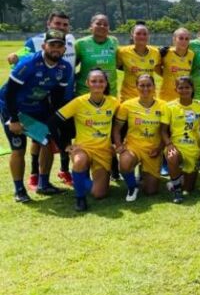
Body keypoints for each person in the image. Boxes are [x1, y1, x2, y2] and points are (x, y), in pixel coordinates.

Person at [0, 30, 72, 203]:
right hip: (11, 107)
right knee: (19, 148)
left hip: (36, 107)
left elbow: (56, 99)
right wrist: (14, 120)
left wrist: (58, 124)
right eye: (52, 44)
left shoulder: (64, 68)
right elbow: (10, 93)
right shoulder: (29, 64)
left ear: (64, 49)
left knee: (47, 141)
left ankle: (44, 184)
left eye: (59, 45)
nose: (56, 48)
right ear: (43, 46)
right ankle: (19, 190)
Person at [10, 11, 77, 188]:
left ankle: (52, 178)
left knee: (53, 136)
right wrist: (15, 55)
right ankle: (31, 178)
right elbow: (23, 53)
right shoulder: (35, 43)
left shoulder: (70, 42)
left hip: (59, 98)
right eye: (57, 23)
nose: (61, 27)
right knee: (31, 142)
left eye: (64, 24)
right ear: (49, 24)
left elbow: (74, 64)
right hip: (31, 102)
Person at [55, 69, 118, 211]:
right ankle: (80, 198)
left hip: (103, 151)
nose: (97, 84)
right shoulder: (78, 102)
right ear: (87, 83)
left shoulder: (113, 102)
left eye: (101, 81)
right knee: (79, 161)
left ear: (106, 83)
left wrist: (117, 144)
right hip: (83, 148)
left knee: (98, 193)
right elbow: (54, 121)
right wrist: (64, 146)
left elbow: (121, 123)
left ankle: (83, 180)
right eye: (93, 81)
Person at [113, 73, 165, 202]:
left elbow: (166, 132)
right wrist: (119, 145)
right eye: (142, 85)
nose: (145, 88)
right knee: (125, 163)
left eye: (149, 85)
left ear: (154, 87)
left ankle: (144, 173)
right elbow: (117, 129)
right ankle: (132, 186)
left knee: (150, 191)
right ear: (136, 87)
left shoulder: (164, 106)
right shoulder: (127, 105)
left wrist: (159, 149)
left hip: (153, 149)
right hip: (133, 146)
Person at [161, 76, 200, 203]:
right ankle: (176, 190)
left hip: (193, 148)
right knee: (172, 156)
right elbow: (163, 131)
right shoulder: (169, 106)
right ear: (176, 89)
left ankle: (178, 178)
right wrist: (169, 145)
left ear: (192, 89)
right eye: (180, 87)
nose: (184, 90)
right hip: (176, 145)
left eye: (187, 87)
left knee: (189, 188)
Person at [74, 14, 118, 97]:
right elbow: (72, 67)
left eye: (105, 24)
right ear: (91, 26)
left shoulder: (114, 41)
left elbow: (119, 63)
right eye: (98, 24)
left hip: (110, 94)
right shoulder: (80, 44)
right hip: (85, 93)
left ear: (109, 28)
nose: (102, 26)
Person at [117, 23, 162, 103]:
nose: (142, 36)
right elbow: (115, 66)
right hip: (128, 98)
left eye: (145, 34)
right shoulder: (122, 52)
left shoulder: (156, 52)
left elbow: (160, 70)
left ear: (148, 36)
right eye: (138, 34)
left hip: (149, 98)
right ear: (132, 35)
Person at [158, 27, 194, 102]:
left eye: (186, 39)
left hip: (183, 97)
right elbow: (156, 67)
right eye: (181, 38)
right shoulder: (166, 53)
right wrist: (166, 74)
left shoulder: (192, 55)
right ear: (174, 39)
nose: (184, 41)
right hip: (166, 97)